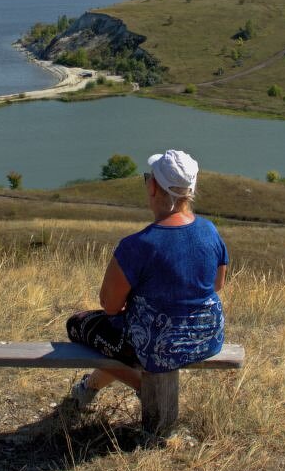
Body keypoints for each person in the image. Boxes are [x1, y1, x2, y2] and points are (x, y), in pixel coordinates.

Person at [65, 149, 229, 408]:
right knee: (127, 337)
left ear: (153, 187)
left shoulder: (137, 246)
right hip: (207, 338)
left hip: (156, 348)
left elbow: (110, 306)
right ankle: (88, 388)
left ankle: (142, 386)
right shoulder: (210, 231)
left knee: (79, 325)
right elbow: (217, 284)